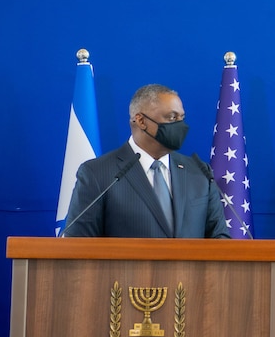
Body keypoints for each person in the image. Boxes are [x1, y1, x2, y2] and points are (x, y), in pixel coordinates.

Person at [63, 83, 230, 238]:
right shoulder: (98, 173)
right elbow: (79, 244)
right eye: (172, 118)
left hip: (190, 271)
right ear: (141, 121)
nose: (181, 126)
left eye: (182, 118)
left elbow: (220, 239)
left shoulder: (199, 172)